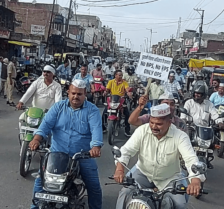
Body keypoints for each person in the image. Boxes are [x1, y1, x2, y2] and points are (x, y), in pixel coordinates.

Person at [114, 104, 205, 209]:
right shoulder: (142, 131)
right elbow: (126, 151)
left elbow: (190, 159)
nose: (153, 127)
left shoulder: (180, 136)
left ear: (169, 122)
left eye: (159, 124)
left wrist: (195, 181)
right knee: (125, 193)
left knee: (180, 204)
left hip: (169, 178)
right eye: (151, 123)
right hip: (144, 173)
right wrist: (119, 170)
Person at [29, 79, 103, 209]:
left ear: (85, 94)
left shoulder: (92, 110)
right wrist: (36, 139)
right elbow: (45, 125)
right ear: (68, 92)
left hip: (81, 156)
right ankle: (34, 207)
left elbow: (96, 129)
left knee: (94, 186)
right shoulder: (58, 107)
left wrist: (95, 147)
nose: (76, 96)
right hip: (57, 155)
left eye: (79, 94)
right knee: (40, 182)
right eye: (73, 93)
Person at [102, 70, 132, 136]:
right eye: (119, 75)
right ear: (115, 75)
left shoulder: (124, 83)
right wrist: (105, 92)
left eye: (121, 75)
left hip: (121, 100)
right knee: (104, 113)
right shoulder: (111, 82)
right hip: (112, 100)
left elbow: (127, 89)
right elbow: (107, 89)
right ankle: (103, 128)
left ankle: (127, 131)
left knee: (127, 114)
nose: (120, 76)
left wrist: (129, 93)